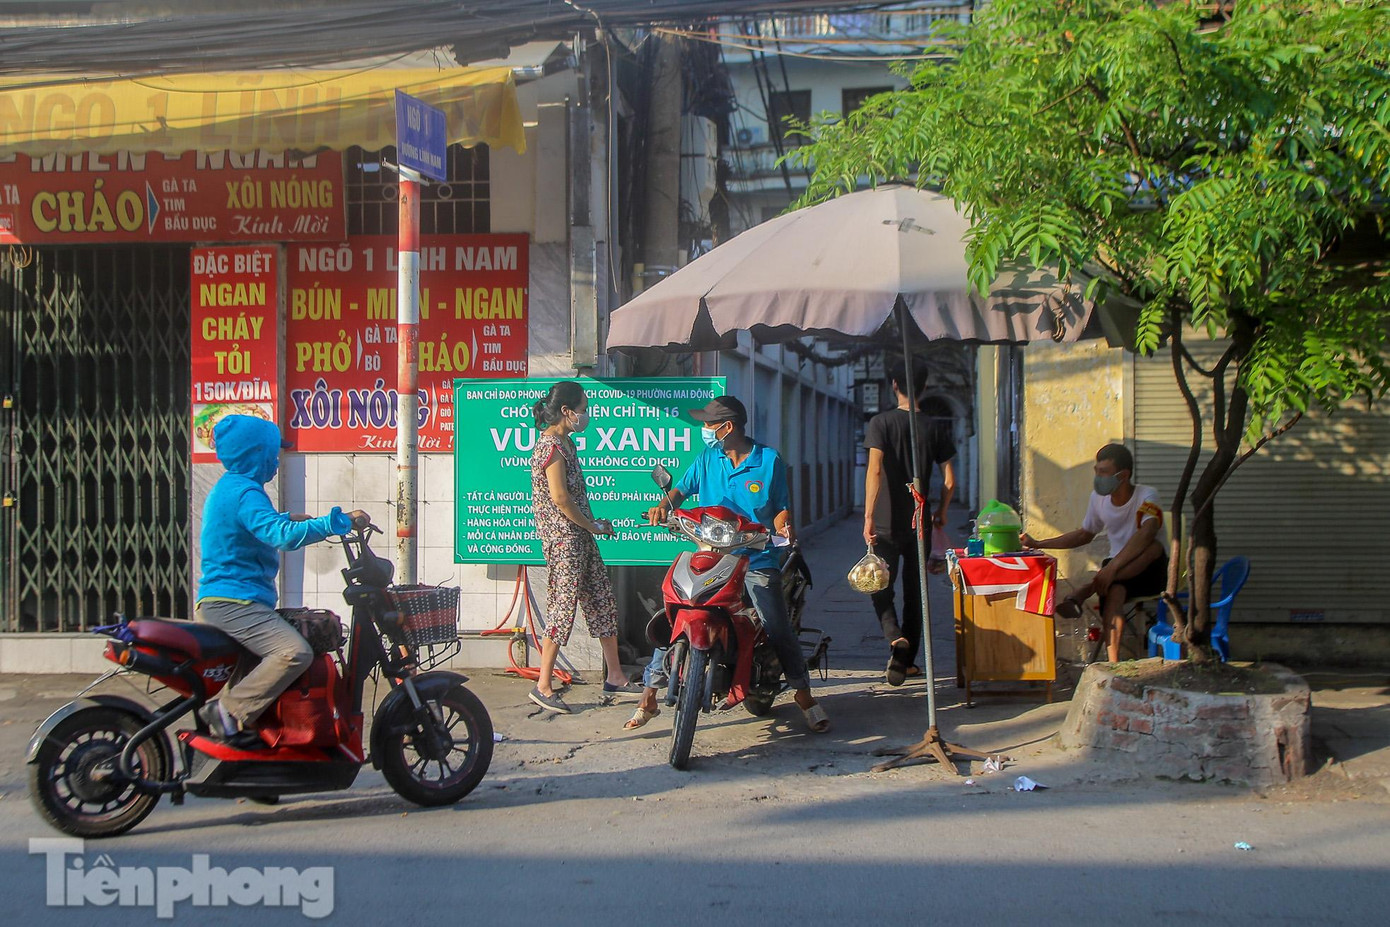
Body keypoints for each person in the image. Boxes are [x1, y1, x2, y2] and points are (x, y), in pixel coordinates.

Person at [630, 396, 829, 733]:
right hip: (711, 553)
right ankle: (649, 695)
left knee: (776, 624)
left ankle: (804, 695)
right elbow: (680, 490)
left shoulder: (769, 460)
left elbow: (780, 506)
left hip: (756, 556)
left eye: (709, 424)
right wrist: (661, 506)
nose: (705, 430)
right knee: (676, 610)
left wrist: (783, 524)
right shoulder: (708, 458)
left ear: (728, 427)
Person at [195, 415, 361, 748]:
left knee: (262, 665)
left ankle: (249, 738)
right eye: (272, 454)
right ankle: (227, 711)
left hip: (232, 601)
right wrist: (332, 524)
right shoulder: (246, 492)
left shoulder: (233, 486)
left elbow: (263, 525)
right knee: (294, 653)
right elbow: (279, 536)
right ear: (256, 454)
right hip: (233, 603)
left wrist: (299, 519)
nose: (276, 461)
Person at [528, 380, 639, 714]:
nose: (586, 415)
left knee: (601, 600)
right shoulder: (550, 447)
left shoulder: (566, 444)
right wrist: (590, 525)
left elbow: (573, 497)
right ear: (566, 412)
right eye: (583, 409)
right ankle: (543, 684)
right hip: (564, 541)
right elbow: (560, 498)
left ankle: (615, 675)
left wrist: (594, 526)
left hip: (581, 538)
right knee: (563, 609)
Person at [1020, 443, 1168, 662]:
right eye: (1096, 471)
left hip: (1150, 571)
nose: (1098, 477)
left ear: (1123, 475)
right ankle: (1114, 665)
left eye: (1104, 472)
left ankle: (1086, 590)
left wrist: (1112, 569)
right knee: (1115, 590)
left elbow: (1147, 534)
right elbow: (1083, 535)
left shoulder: (1147, 495)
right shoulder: (1097, 499)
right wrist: (1038, 543)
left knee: (1153, 547)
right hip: (1116, 572)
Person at [863, 362, 956, 686]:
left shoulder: (880, 423)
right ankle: (906, 661)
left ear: (894, 385)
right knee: (916, 593)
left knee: (878, 584)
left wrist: (869, 516)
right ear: (924, 387)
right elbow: (949, 479)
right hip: (920, 523)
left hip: (886, 522)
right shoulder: (933, 427)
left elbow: (874, 470)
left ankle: (893, 635)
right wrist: (941, 511)